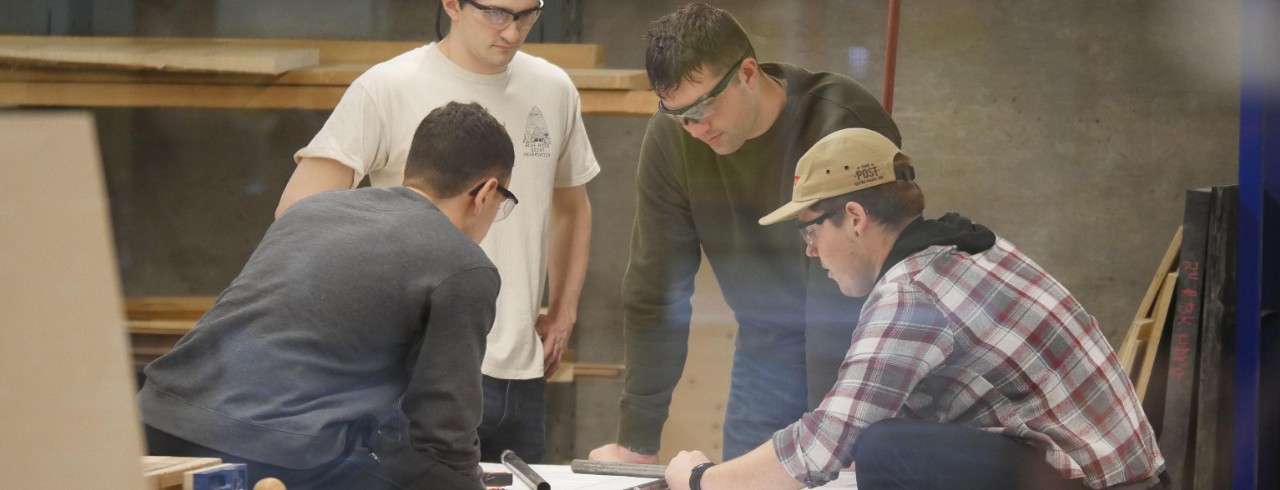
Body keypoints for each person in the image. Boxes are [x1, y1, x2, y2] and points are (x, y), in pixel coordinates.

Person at [662, 128, 1169, 490]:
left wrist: (702, 480)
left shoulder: (912, 293)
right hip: (1121, 477)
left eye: (811, 230)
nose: (810, 251)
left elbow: (826, 443)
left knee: (887, 451)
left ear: (855, 217)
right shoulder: (969, 250)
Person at [277, 0, 598, 463]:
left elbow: (571, 205)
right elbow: (299, 214)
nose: (512, 31)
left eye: (528, 14)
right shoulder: (387, 88)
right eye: (497, 13)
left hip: (518, 374)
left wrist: (564, 310)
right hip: (415, 373)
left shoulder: (554, 89)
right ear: (452, 4)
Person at [139, 102, 517, 490]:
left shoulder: (310, 211)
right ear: (486, 193)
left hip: (155, 421)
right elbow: (443, 432)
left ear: (407, 171)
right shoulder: (464, 266)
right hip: (271, 451)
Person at [589, 3, 901, 463]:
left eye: (704, 107)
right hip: (766, 352)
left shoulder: (840, 122)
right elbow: (656, 288)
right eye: (677, 114)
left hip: (857, 345)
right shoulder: (673, 140)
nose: (695, 129)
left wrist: (829, 442)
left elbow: (849, 294)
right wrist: (637, 441)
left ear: (748, 73)